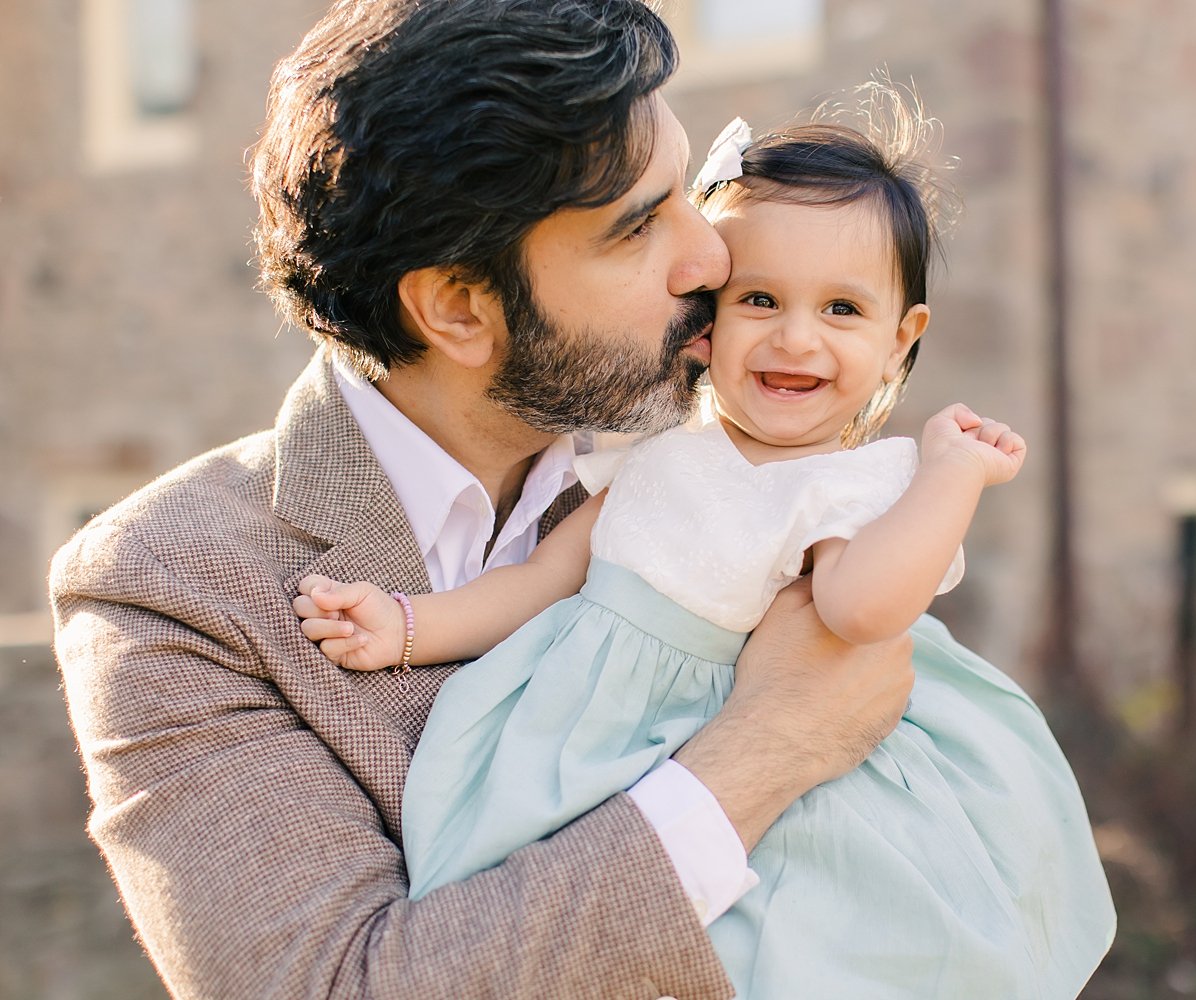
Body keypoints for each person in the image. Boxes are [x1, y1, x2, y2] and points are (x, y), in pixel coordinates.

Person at [47, 3, 921, 997]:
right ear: (460, 307)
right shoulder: (174, 590)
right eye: (640, 226)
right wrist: (766, 755)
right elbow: (339, 986)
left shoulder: (722, 470)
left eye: (691, 192)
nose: (711, 259)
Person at [296, 102, 1116, 998]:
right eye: (759, 299)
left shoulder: (853, 487)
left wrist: (950, 479)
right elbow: (542, 580)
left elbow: (860, 612)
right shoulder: (654, 452)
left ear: (899, 341)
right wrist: (410, 625)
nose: (795, 336)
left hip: (759, 752)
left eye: (842, 308)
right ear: (706, 326)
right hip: (585, 743)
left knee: (784, 950)